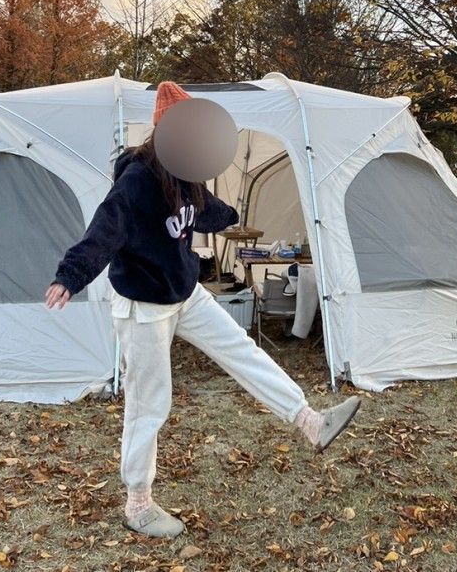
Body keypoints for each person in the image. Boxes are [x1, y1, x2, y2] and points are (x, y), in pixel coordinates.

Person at [45, 81, 360, 539]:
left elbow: (209, 211)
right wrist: (70, 275)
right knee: (148, 404)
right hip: (143, 305)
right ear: (164, 134)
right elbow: (104, 230)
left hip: (184, 293)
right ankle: (138, 503)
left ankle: (309, 421)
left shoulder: (187, 176)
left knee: (242, 349)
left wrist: (231, 216)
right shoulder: (137, 181)